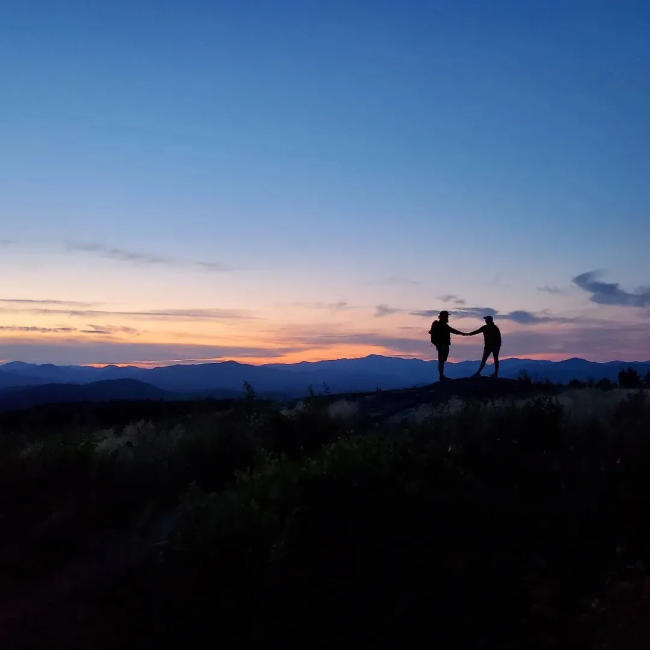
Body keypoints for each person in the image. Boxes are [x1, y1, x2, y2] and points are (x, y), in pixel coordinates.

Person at [429, 310, 467, 381]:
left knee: (442, 360)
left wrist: (462, 333)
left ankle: (441, 376)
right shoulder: (440, 324)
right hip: (442, 344)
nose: (447, 318)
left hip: (443, 344)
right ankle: (441, 377)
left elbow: (452, 330)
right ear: (443, 317)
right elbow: (452, 330)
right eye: (446, 316)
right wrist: (463, 333)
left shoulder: (444, 325)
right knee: (441, 360)